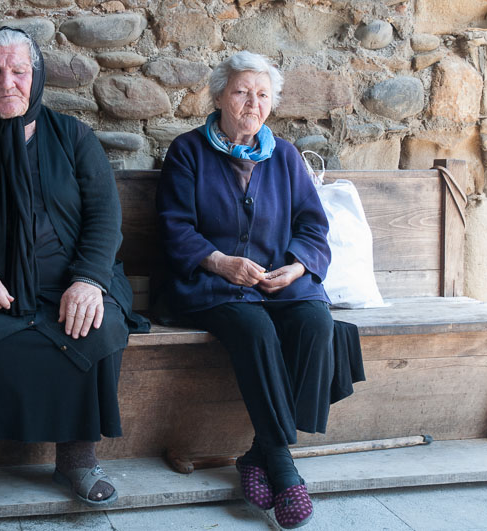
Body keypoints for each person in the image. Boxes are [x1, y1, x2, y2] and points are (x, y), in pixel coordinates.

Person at [0, 27, 144, 509]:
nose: (6, 82)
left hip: (66, 282)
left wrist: (88, 279)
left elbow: (105, 217)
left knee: (95, 328)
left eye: (18, 71)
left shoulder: (74, 138)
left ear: (35, 76)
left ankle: (77, 460)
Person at [156, 51, 343, 529]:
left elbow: (312, 226)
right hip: (208, 284)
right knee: (255, 328)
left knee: (317, 321)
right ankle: (282, 465)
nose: (251, 103)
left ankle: (256, 454)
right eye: (241, 92)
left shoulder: (283, 155)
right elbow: (175, 228)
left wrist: (298, 267)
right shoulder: (188, 151)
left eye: (262, 95)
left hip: (274, 283)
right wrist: (220, 262)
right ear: (219, 95)